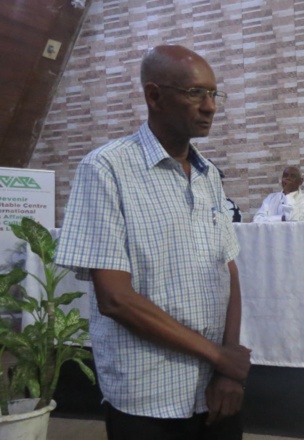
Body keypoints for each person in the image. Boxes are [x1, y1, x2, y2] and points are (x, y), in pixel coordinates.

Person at [55, 45, 251, 440]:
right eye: (196, 93)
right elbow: (115, 298)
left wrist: (227, 369)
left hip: (214, 386)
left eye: (214, 93)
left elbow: (226, 268)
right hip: (148, 390)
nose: (210, 106)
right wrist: (220, 356)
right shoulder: (106, 169)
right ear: (154, 96)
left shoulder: (208, 173)